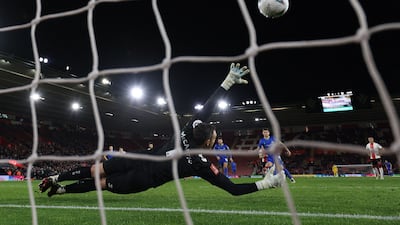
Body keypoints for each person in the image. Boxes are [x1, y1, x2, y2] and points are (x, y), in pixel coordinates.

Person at [39, 63, 285, 197]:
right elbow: (232, 189)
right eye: (214, 135)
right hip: (140, 177)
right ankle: (58, 185)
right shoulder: (198, 163)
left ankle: (58, 183)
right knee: (99, 181)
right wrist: (265, 184)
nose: (215, 135)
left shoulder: (188, 130)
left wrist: (228, 82)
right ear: (209, 144)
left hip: (137, 167)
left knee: (97, 174)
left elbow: (207, 108)